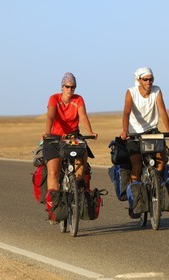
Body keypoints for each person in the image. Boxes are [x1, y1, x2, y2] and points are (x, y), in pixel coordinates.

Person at [42, 72, 98, 223]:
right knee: (53, 172)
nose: (70, 90)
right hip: (55, 137)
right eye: (67, 86)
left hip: (73, 136)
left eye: (73, 87)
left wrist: (90, 132)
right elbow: (50, 116)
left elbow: (83, 116)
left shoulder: (78, 99)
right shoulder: (54, 98)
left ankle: (77, 184)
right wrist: (48, 133)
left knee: (83, 154)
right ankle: (54, 209)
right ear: (62, 87)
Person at [120, 67, 169, 183]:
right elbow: (126, 112)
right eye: (145, 79)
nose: (149, 82)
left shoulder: (156, 90)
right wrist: (125, 131)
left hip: (152, 131)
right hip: (134, 133)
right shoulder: (131, 92)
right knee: (136, 165)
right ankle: (136, 193)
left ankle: (156, 183)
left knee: (161, 158)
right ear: (139, 80)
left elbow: (162, 110)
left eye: (151, 79)